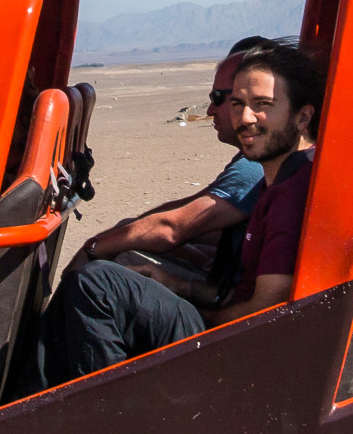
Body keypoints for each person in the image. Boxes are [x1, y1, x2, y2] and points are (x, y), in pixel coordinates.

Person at [39, 44, 325, 386]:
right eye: (237, 103)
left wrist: (202, 314)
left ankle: (96, 412)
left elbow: (264, 311)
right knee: (121, 275)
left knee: (96, 284)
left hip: (241, 349)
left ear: (302, 117)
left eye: (263, 106)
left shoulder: (290, 193)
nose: (245, 118)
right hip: (232, 323)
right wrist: (179, 286)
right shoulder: (275, 179)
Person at [69, 34, 275, 298]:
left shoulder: (255, 166)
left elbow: (173, 227)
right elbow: (193, 216)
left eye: (219, 97)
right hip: (225, 288)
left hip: (230, 304)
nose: (210, 110)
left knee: (108, 271)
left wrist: (92, 248)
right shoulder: (254, 161)